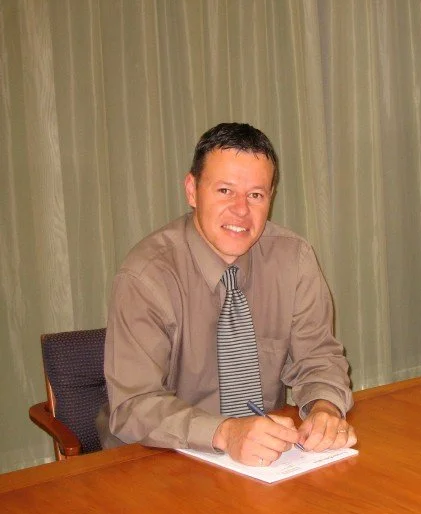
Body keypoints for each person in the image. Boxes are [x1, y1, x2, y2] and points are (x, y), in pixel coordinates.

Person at [98, 123, 356, 466]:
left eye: (255, 195)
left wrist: (325, 407)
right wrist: (225, 432)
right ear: (192, 190)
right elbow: (133, 406)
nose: (240, 210)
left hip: (264, 461)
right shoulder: (147, 276)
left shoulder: (293, 259)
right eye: (224, 191)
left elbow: (318, 357)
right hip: (158, 459)